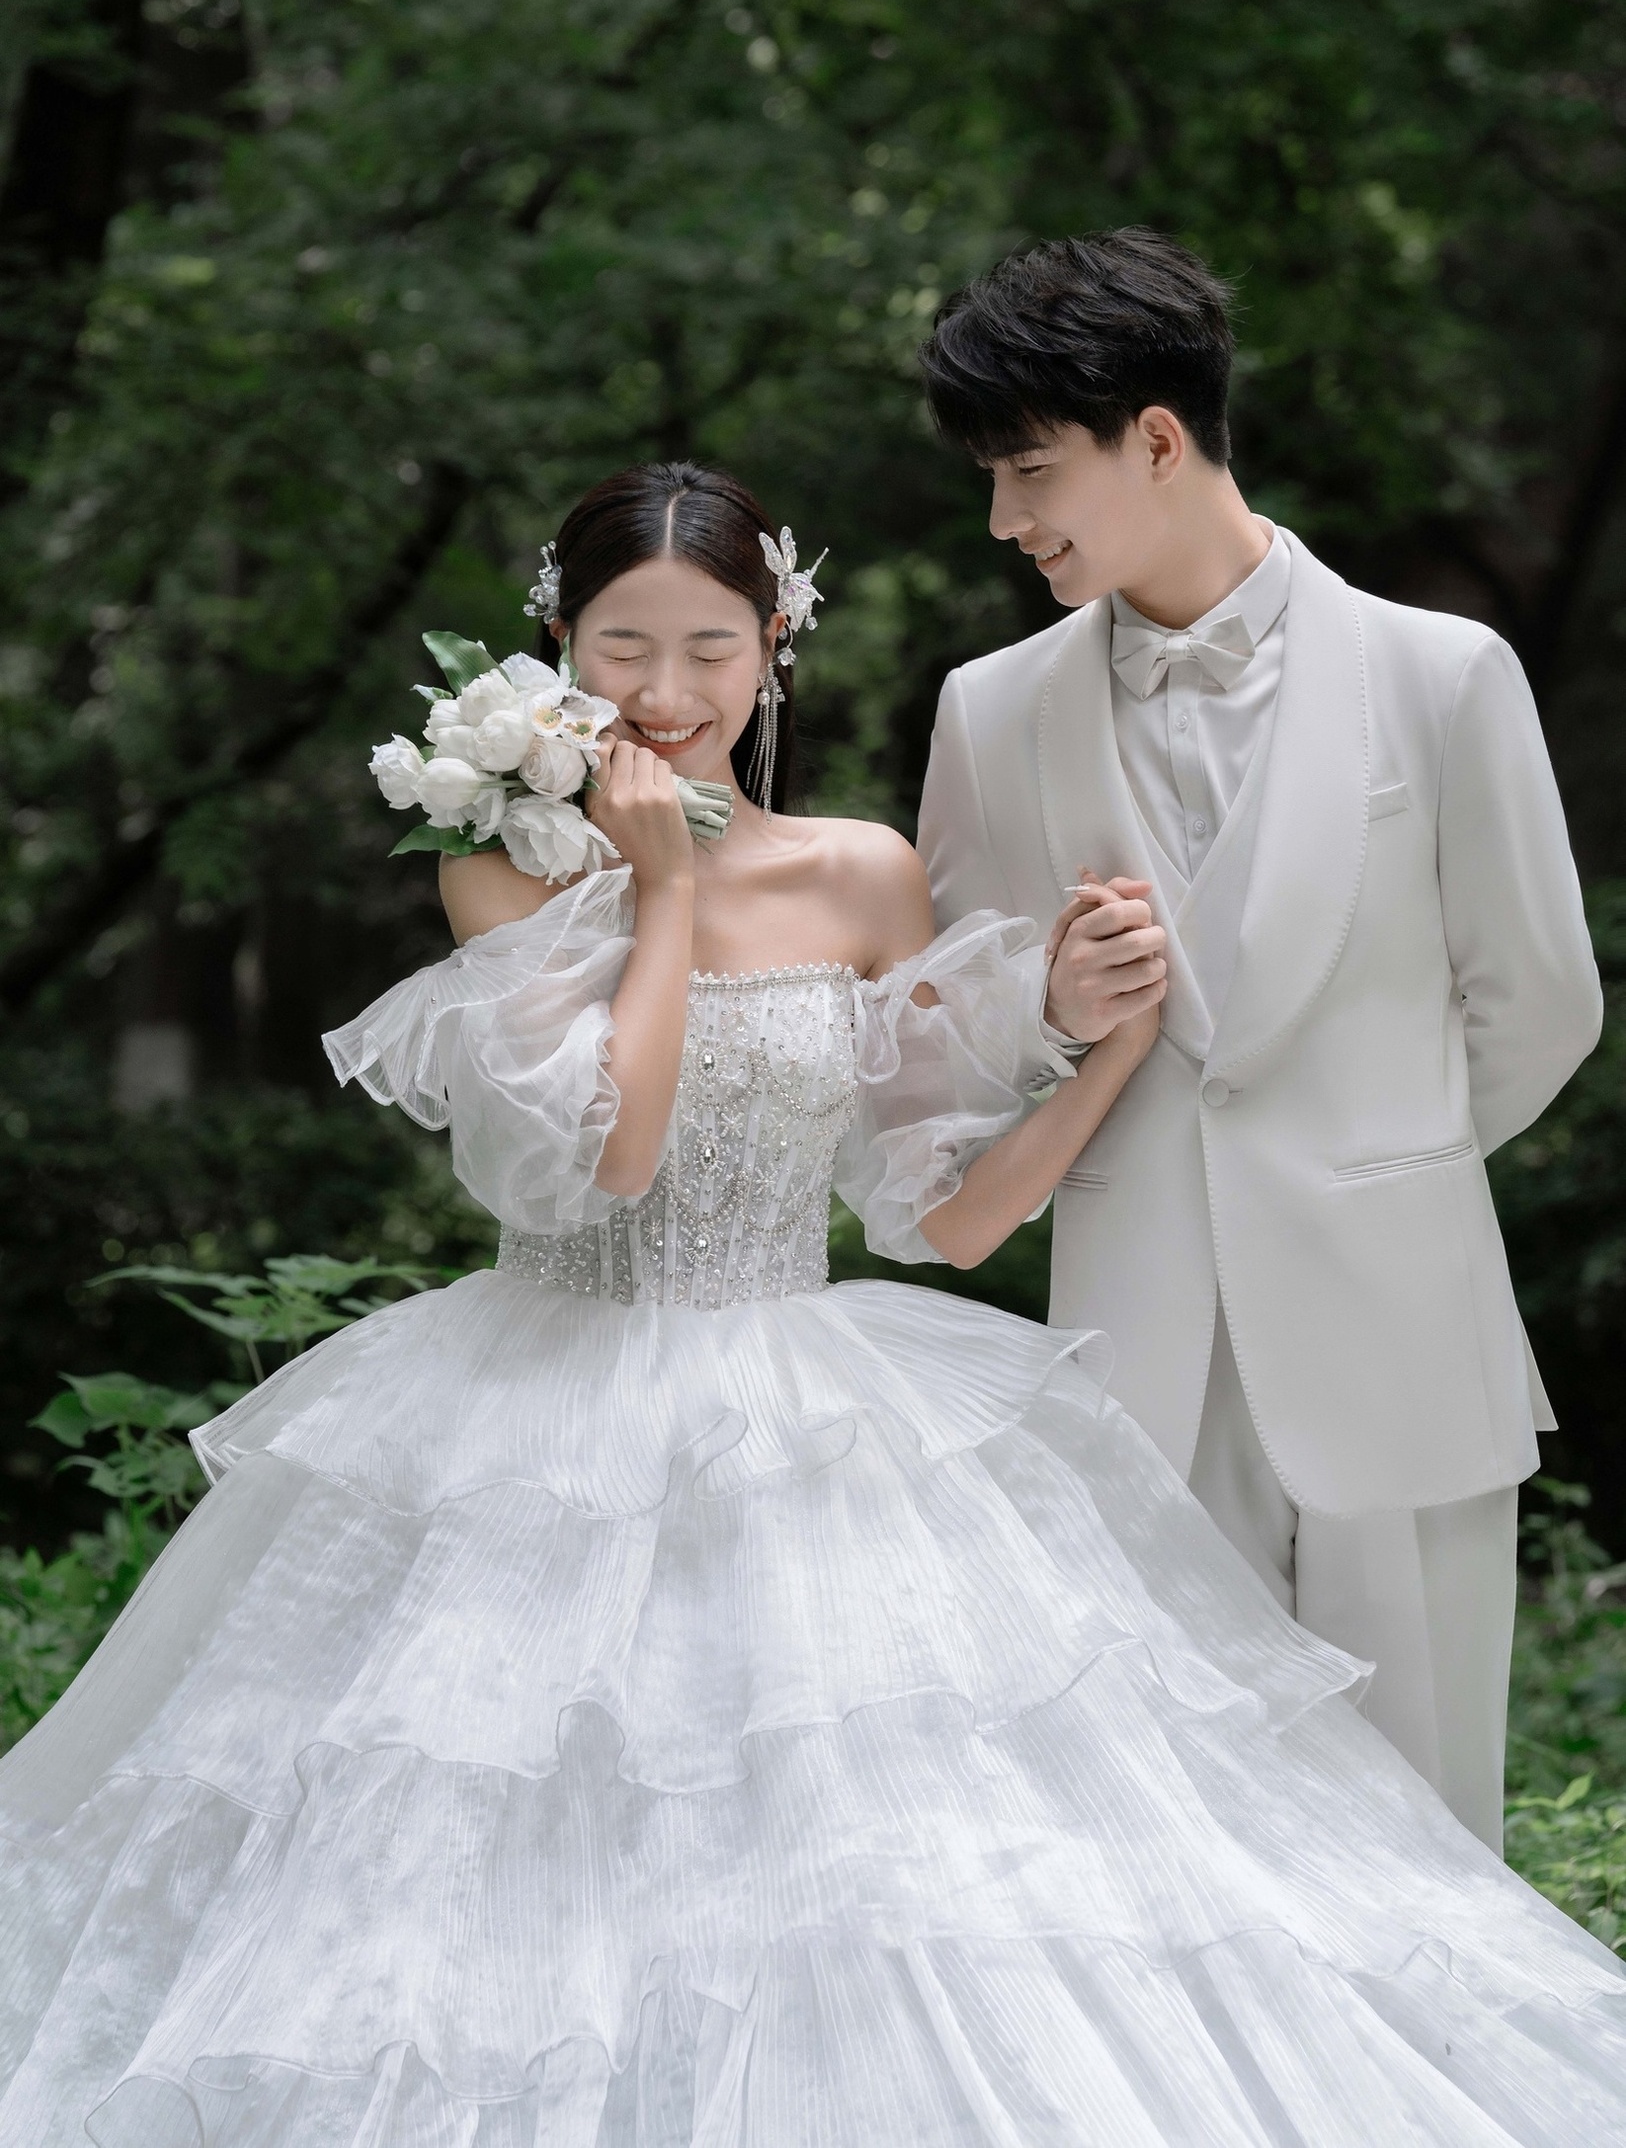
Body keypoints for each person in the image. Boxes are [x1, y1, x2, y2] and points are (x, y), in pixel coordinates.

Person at [2, 461, 1623, 2145]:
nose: (667, 692)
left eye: (711, 646)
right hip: (533, 1415)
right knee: (498, 1857)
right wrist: (662, 890)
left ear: (774, 647)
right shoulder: (499, 873)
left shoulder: (862, 873)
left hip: (804, 1400)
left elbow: (949, 1219)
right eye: (622, 647)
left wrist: (1098, 1049)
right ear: (558, 652)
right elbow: (610, 1160)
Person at [915, 228, 1604, 1853]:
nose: (1003, 520)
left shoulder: (1442, 677)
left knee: (1425, 1831)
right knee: (1176, 1847)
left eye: (1028, 472)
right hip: (1136, 1351)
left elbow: (1538, 1003)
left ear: (1156, 439)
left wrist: (1373, 1162)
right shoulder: (988, 712)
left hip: (1396, 1334)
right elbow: (945, 1044)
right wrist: (1052, 1007)